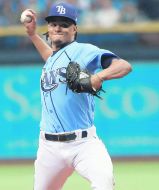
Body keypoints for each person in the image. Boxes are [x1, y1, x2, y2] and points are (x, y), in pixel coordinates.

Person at [21, 2, 132, 190]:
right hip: (49, 147)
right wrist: (32, 35)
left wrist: (98, 77)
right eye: (53, 23)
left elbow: (124, 66)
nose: (58, 28)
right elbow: (51, 57)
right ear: (48, 27)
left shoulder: (84, 50)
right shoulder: (54, 58)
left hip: (83, 144)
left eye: (64, 24)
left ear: (74, 29)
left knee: (104, 183)